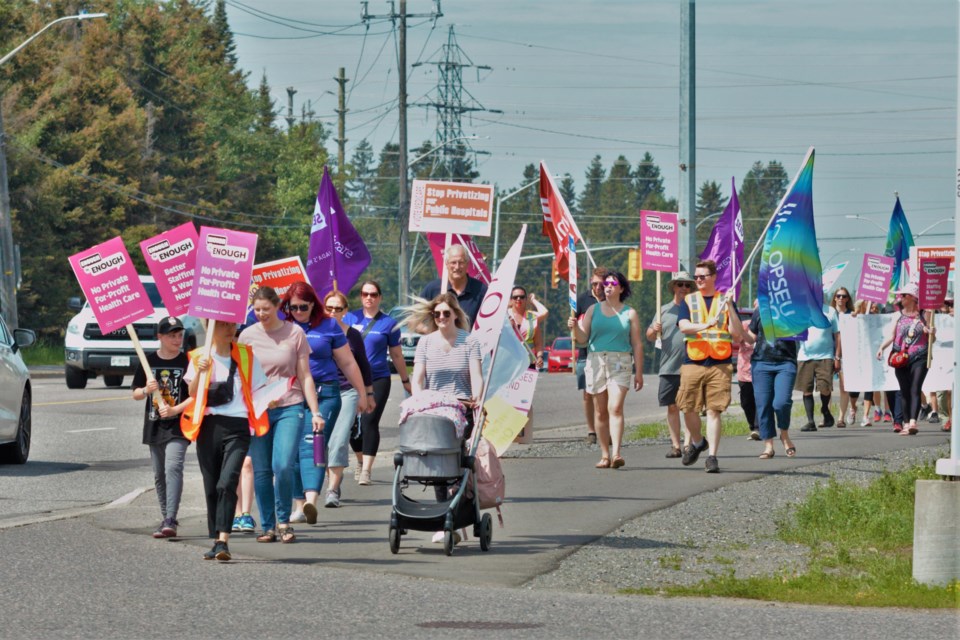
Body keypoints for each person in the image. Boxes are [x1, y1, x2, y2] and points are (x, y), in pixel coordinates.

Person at [239, 286, 325, 544]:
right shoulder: (246, 336)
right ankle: (268, 526)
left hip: (290, 405)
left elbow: (305, 375)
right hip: (259, 410)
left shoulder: (295, 333)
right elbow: (242, 377)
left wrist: (315, 411)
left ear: (277, 306)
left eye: (266, 309)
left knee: (283, 464)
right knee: (263, 469)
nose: (261, 314)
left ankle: (284, 520)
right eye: (256, 310)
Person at [182, 319, 269, 561]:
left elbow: (260, 389)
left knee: (226, 482)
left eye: (233, 325)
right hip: (208, 425)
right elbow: (192, 393)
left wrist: (270, 398)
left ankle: (223, 541)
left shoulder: (245, 355)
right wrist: (200, 370)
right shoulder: (200, 355)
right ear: (210, 326)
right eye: (224, 325)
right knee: (211, 487)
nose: (231, 330)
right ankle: (215, 539)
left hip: (238, 426)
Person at [284, 282, 367, 519]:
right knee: (293, 449)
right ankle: (298, 504)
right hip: (291, 394)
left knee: (312, 443)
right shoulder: (284, 326)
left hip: (326, 393)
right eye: (293, 307)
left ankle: (311, 500)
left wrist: (362, 393)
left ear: (313, 304)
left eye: (303, 307)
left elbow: (348, 362)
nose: (298, 312)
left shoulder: (329, 326)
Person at [407, 293, 484, 546]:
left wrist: (478, 398)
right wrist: (418, 400)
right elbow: (418, 377)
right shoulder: (426, 343)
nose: (441, 318)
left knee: (459, 462)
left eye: (446, 314)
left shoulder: (469, 341)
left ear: (455, 315)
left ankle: (458, 511)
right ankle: (443, 516)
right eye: (437, 314)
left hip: (461, 407)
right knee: (436, 459)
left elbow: (476, 375)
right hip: (435, 407)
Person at [676, 259, 746, 474]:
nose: (698, 280)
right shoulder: (689, 300)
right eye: (696, 277)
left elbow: (737, 334)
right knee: (687, 408)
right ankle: (698, 442)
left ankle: (712, 456)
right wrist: (704, 325)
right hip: (693, 360)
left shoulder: (723, 300)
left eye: (702, 276)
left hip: (720, 363)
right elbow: (684, 327)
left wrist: (731, 307)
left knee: (714, 410)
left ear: (713, 277)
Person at [569, 270, 644, 469]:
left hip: (620, 362)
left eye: (613, 283)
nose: (608, 286)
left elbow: (637, 344)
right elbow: (583, 339)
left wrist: (639, 372)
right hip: (595, 361)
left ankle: (617, 452)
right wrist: (575, 328)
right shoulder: (593, 310)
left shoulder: (630, 313)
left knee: (615, 407)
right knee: (601, 412)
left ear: (621, 288)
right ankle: (604, 454)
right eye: (606, 284)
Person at [131, 316, 192, 538]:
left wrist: (176, 410)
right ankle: (165, 517)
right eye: (172, 336)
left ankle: (170, 519)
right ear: (160, 337)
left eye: (179, 335)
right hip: (154, 424)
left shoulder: (187, 362)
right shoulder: (148, 362)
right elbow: (135, 394)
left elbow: (195, 397)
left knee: (173, 467)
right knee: (159, 474)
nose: (177, 339)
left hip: (179, 425)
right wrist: (146, 390)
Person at [346, 280, 409, 486]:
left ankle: (366, 470)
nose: (369, 298)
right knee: (351, 426)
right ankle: (359, 459)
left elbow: (397, 355)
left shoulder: (388, 323)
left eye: (373, 294)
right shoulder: (349, 317)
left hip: (378, 378)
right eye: (365, 294)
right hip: (351, 379)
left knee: (369, 422)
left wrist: (406, 380)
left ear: (380, 297)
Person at [322, 289, 375, 508]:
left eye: (338, 308)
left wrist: (367, 394)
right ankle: (330, 477)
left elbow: (363, 364)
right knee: (321, 440)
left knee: (340, 438)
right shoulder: (316, 332)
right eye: (329, 308)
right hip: (323, 392)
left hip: (348, 391)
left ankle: (332, 489)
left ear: (345, 311)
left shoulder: (352, 334)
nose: (333, 312)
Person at [645, 271, 695, 458]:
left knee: (689, 407)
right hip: (668, 366)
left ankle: (689, 444)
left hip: (691, 365)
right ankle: (676, 445)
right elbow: (649, 336)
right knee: (672, 406)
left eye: (687, 285)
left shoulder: (694, 309)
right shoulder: (663, 309)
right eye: (680, 284)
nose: (684, 288)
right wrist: (653, 329)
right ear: (674, 287)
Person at [876, 283, 934, 436]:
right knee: (904, 390)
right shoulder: (898, 315)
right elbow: (892, 336)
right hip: (900, 357)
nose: (899, 298)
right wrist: (881, 347)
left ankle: (913, 422)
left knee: (915, 387)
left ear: (911, 298)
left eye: (902, 295)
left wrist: (931, 332)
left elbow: (932, 339)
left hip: (920, 356)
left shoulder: (924, 314)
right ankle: (906, 423)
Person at [741, 305, 799, 459]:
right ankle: (768, 446)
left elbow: (800, 330)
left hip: (786, 362)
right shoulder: (760, 310)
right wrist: (741, 331)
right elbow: (751, 338)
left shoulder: (792, 307)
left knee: (781, 402)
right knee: (763, 404)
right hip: (761, 363)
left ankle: (784, 435)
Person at [795, 291, 841, 432]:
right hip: (805, 356)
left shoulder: (830, 311)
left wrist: (837, 357)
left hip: (825, 356)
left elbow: (838, 335)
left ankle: (825, 410)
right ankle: (810, 421)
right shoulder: (801, 310)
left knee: (825, 388)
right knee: (806, 389)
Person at [420, 244, 489, 327]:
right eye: (453, 262)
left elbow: (489, 324)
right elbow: (415, 322)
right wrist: (434, 334)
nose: (457, 267)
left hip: (470, 339)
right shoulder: (432, 289)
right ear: (446, 264)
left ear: (467, 263)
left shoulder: (481, 290)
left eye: (461, 262)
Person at [575, 267, 607, 445]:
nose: (598, 287)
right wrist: (572, 324)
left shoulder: (611, 298)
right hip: (585, 353)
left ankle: (606, 428)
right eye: (594, 284)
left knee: (605, 393)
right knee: (588, 394)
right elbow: (575, 320)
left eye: (601, 284)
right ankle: (591, 431)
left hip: (606, 352)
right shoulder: (582, 299)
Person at [831, 287, 859, 426]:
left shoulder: (852, 314)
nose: (841, 298)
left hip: (847, 353)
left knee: (844, 387)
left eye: (844, 296)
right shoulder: (830, 313)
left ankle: (841, 417)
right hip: (829, 351)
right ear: (834, 298)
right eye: (838, 296)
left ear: (848, 298)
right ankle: (827, 415)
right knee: (826, 386)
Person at [508, 286, 548, 370]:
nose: (518, 299)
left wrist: (540, 357)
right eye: (515, 297)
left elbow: (538, 343)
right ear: (511, 300)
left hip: (528, 362)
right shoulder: (505, 315)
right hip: (509, 362)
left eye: (522, 297)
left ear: (526, 299)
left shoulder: (532, 317)